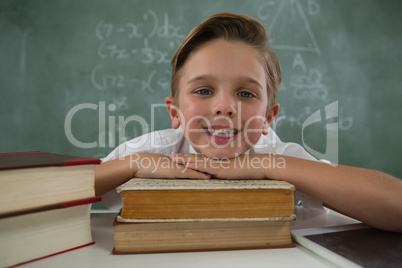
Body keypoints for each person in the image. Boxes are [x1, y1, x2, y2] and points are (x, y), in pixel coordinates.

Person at [95, 12, 402, 232]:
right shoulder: (154, 150)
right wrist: (133, 164)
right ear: (175, 113)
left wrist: (267, 166)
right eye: (204, 90)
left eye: (245, 93)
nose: (225, 107)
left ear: (269, 117)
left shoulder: (276, 156)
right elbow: (57, 198)